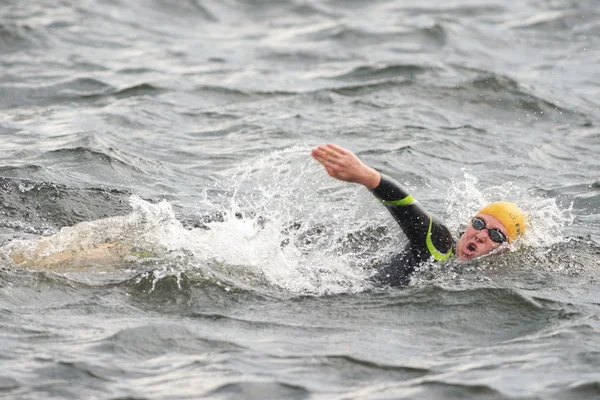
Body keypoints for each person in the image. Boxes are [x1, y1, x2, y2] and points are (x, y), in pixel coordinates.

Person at [311, 143, 527, 286]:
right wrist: (367, 176)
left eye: (496, 236)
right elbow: (407, 207)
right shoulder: (439, 242)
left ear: (503, 250)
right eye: (479, 223)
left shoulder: (485, 280)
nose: (481, 235)